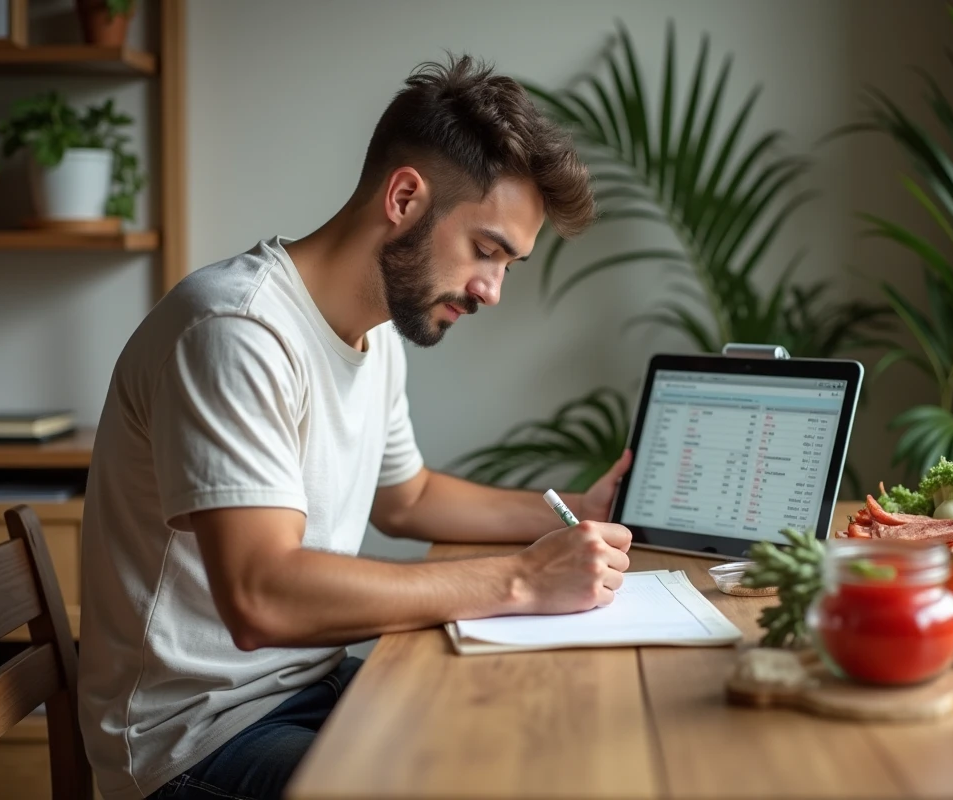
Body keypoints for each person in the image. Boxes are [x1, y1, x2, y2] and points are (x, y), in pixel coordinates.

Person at [77, 53, 635, 800]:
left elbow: (408, 498)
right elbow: (261, 596)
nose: (492, 290)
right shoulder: (236, 331)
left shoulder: (375, 335)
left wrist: (576, 510)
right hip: (196, 737)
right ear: (404, 198)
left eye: (509, 264)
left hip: (311, 684)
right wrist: (522, 580)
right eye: (485, 251)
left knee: (527, 739)